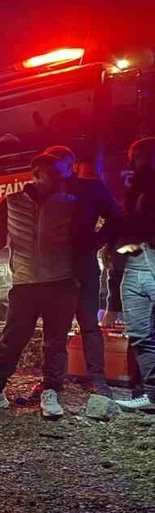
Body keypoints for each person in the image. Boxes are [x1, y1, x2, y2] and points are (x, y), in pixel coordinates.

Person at [0, 153, 78, 420]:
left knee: (55, 343)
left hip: (61, 283)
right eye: (47, 174)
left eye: (56, 175)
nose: (52, 180)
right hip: (25, 284)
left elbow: (82, 240)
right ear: (36, 174)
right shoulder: (12, 202)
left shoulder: (69, 204)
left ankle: (51, 391)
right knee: (12, 340)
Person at [43, 145, 123, 396]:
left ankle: (98, 380)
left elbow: (116, 217)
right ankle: (52, 382)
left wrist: (96, 241)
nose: (53, 169)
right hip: (52, 268)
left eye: (57, 164)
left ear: (69, 164)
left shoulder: (90, 188)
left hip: (82, 265)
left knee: (88, 323)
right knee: (54, 328)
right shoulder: (42, 192)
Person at [113, 137, 155, 412]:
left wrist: (142, 241)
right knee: (140, 334)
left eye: (143, 157)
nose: (139, 163)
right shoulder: (133, 188)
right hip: (134, 264)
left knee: (144, 334)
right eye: (137, 158)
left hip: (149, 258)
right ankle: (151, 395)